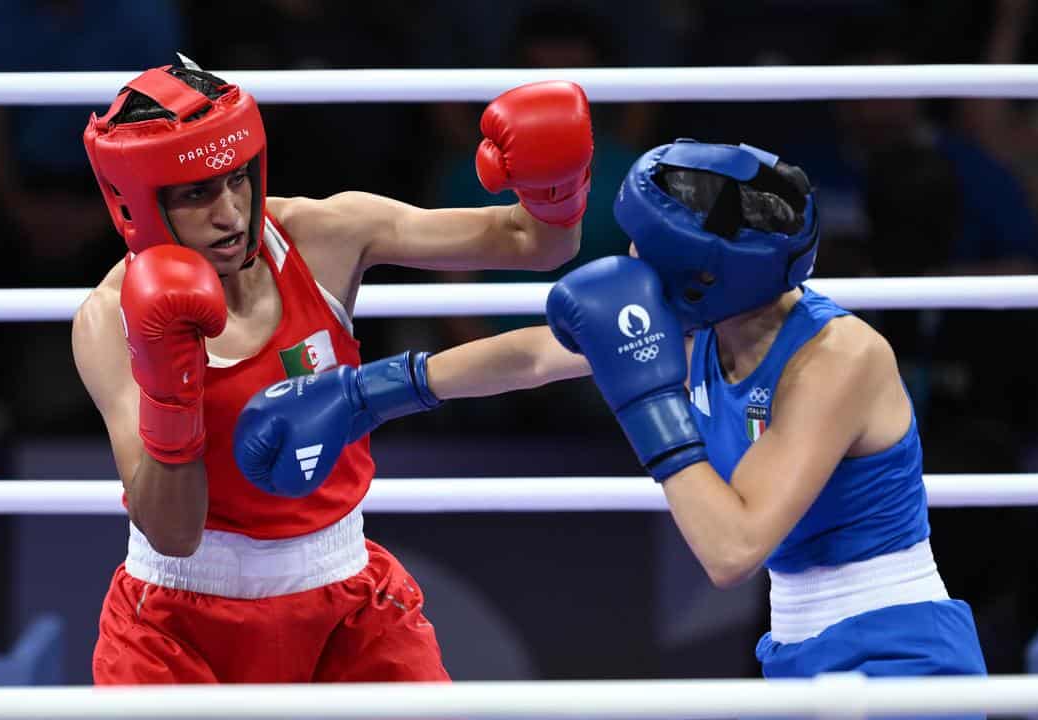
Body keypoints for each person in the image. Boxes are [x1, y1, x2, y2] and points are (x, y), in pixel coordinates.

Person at [238, 139, 988, 681]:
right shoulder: (701, 324)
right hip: (796, 649)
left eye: (644, 249)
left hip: (897, 654)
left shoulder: (838, 359)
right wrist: (366, 393)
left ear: (704, 276)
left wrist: (648, 400)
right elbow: (533, 355)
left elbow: (731, 549)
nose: (627, 262)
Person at [71, 57, 593, 683]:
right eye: (196, 193)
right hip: (175, 625)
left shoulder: (322, 233)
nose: (231, 213)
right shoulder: (110, 322)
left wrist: (555, 186)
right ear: (139, 203)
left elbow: (536, 244)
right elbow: (174, 533)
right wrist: (171, 388)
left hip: (345, 597)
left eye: (238, 179)